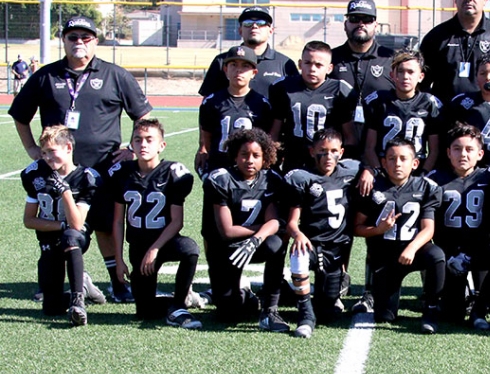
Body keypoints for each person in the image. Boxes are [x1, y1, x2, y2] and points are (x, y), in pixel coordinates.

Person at [10, 15, 151, 303]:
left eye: (85, 37)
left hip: (103, 166)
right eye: (73, 37)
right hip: (59, 169)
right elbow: (20, 115)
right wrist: (32, 151)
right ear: (64, 40)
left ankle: (117, 283)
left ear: (95, 41)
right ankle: (55, 280)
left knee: (104, 224)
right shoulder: (46, 76)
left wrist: (132, 148)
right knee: (55, 221)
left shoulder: (115, 74)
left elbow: (144, 115)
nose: (79, 42)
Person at [108, 119, 202, 329]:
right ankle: (179, 301)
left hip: (164, 242)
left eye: (150, 140)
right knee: (145, 312)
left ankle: (178, 304)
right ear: (131, 144)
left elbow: (177, 222)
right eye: (138, 140)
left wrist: (155, 249)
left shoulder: (173, 172)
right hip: (139, 247)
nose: (143, 144)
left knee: (189, 249)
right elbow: (117, 221)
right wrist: (118, 258)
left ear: (161, 145)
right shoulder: (121, 173)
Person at [354, 138, 445, 334]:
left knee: (436, 255)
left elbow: (428, 229)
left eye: (403, 159)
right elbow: (357, 228)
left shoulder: (425, 187)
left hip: (414, 252)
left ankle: (431, 309)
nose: (397, 163)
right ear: (384, 162)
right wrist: (379, 229)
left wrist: (412, 247)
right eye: (392, 158)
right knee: (384, 316)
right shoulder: (373, 186)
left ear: (415, 163)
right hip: (385, 256)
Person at [202, 128, 289, 331]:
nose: (250, 160)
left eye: (256, 155)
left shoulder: (271, 180)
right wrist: (260, 231)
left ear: (265, 157)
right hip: (226, 249)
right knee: (227, 314)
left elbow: (275, 221)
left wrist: (256, 240)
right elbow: (228, 231)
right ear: (234, 155)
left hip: (254, 244)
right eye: (244, 155)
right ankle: (245, 295)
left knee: (277, 243)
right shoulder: (221, 179)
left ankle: (270, 308)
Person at [428, 123, 490, 328]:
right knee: (453, 315)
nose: (463, 154)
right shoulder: (435, 179)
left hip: (480, 249)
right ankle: (459, 293)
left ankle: (479, 309)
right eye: (457, 149)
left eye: (469, 149)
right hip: (451, 254)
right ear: (448, 152)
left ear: (480, 154)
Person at [21, 125, 102, 326]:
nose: (48, 157)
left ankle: (77, 302)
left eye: (52, 151)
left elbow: (76, 224)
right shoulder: (35, 175)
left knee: (70, 236)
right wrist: (60, 224)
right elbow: (29, 220)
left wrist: (65, 192)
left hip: (76, 236)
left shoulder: (86, 177)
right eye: (44, 152)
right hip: (50, 238)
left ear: (68, 148)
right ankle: (83, 288)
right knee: (51, 307)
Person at [284, 128, 360, 338]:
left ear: (342, 152)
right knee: (298, 253)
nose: (328, 156)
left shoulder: (351, 171)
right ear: (311, 151)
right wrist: (298, 235)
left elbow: (369, 167)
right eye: (323, 151)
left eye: (334, 151)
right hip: (311, 244)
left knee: (328, 314)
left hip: (335, 250)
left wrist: (369, 172)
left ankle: (314, 298)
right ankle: (305, 312)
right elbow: (291, 222)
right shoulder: (303, 178)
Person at [269, 41, 355, 172]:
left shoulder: (340, 90)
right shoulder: (283, 87)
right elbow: (274, 132)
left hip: (327, 161)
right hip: (294, 159)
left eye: (319, 65)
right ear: (300, 64)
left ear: (329, 68)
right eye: (308, 63)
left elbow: (349, 136)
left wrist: (343, 165)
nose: (312, 69)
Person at [362, 49, 444, 186]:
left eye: (411, 72)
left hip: (417, 169)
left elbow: (434, 149)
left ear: (421, 76)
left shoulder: (429, 103)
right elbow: (369, 147)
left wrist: (424, 174)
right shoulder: (378, 101)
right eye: (400, 71)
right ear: (392, 75)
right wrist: (378, 171)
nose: (405, 76)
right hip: (385, 168)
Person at [330, 0, 396, 158]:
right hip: (338, 150)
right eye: (354, 19)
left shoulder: (391, 59)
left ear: (375, 25)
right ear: (345, 24)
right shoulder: (331, 58)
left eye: (366, 19)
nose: (360, 24)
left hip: (382, 150)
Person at [197, 46, 274, 176]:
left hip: (249, 169)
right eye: (233, 65)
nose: (238, 70)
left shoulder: (262, 104)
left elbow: (265, 140)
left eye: (245, 66)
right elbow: (207, 137)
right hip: (219, 165)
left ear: (254, 73)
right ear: (225, 70)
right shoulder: (212, 102)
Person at [198, 6, 298, 98]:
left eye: (261, 23)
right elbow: (208, 103)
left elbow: (296, 100)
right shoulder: (222, 61)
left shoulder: (285, 64)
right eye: (248, 23)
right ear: (240, 30)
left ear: (271, 31)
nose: (254, 26)